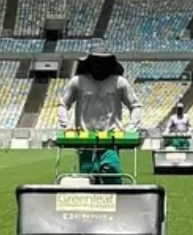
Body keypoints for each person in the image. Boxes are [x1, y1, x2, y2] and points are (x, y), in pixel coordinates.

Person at [57, 52, 142, 184]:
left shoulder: (120, 83)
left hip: (110, 141)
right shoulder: (77, 81)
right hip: (85, 141)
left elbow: (135, 105)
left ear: (110, 63)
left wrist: (131, 127)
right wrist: (66, 125)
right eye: (95, 61)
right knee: (87, 181)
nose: (99, 65)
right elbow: (63, 104)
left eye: (102, 61)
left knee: (112, 172)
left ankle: (117, 200)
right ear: (89, 63)